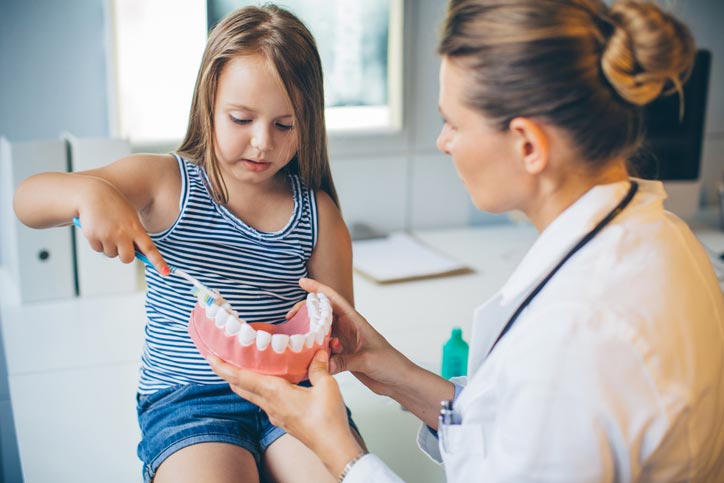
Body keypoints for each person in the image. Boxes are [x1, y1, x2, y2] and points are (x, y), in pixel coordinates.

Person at [208, 0, 724, 481]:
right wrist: (391, 370)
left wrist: (339, 450)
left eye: (453, 122)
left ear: (527, 144)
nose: (443, 142)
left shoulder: (579, 336)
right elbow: (516, 431)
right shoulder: (662, 239)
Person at [13, 5, 364, 483]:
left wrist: (313, 343)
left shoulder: (318, 214)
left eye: (285, 125)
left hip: (294, 390)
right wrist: (88, 192)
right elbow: (27, 199)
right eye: (241, 119)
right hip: (188, 397)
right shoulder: (163, 184)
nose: (262, 142)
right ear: (209, 103)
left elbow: (339, 334)